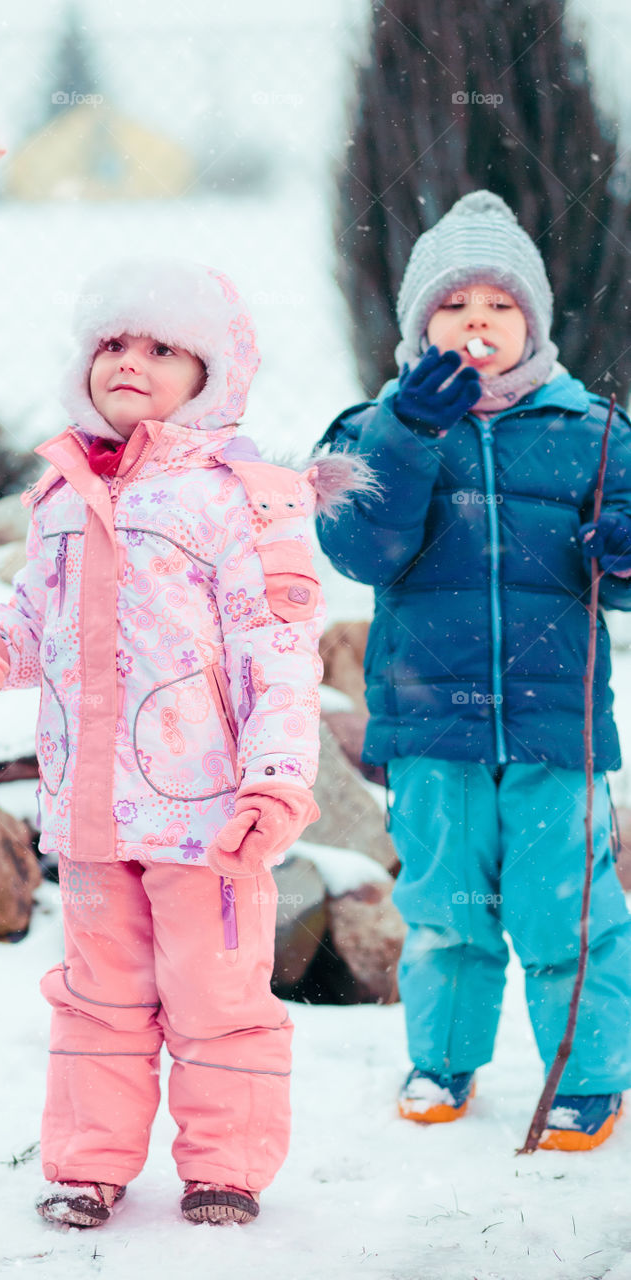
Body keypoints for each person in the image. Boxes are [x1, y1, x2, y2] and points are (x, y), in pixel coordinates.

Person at [0, 258, 366, 1225]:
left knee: (215, 994)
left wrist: (276, 783)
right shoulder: (61, 495)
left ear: (213, 378)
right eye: (114, 343)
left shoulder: (245, 497)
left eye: (164, 348)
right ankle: (88, 1163)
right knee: (98, 995)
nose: (132, 361)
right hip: (88, 810)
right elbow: (36, 621)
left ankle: (225, 1167)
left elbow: (278, 656)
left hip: (207, 812)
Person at [315, 190, 631, 1150]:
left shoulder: (595, 428)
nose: (478, 323)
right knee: (447, 909)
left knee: (565, 911)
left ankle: (587, 1078)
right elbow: (360, 550)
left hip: (553, 727)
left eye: (499, 305)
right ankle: (442, 1063)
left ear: (531, 321)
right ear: (421, 324)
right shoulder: (367, 430)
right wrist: (405, 433)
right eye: (455, 307)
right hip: (429, 725)